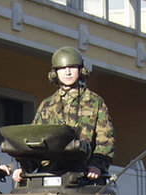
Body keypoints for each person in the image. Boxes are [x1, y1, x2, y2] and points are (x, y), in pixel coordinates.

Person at [13, 46, 115, 184]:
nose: (67, 72)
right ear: (55, 73)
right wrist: (25, 168)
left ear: (81, 70)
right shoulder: (48, 105)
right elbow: (35, 141)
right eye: (62, 68)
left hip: (84, 175)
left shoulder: (94, 102)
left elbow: (106, 139)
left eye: (72, 67)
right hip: (50, 174)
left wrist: (97, 165)